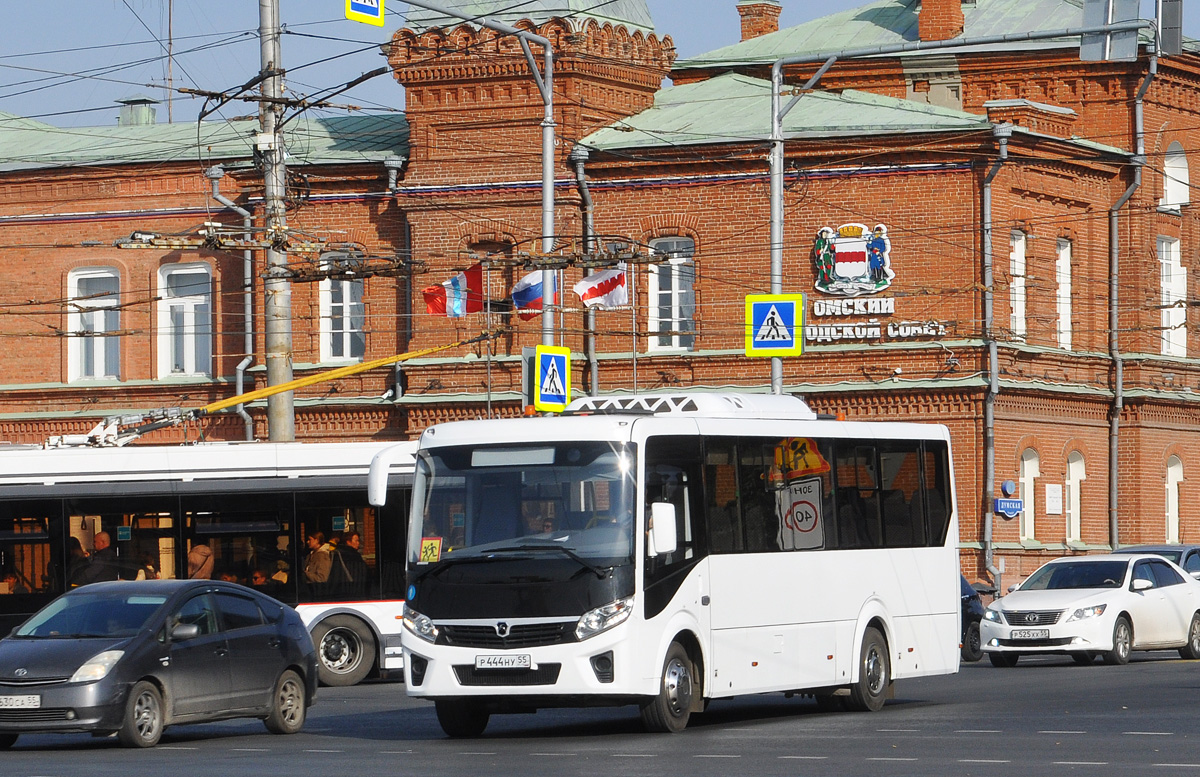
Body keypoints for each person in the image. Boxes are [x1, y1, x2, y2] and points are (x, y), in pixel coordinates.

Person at [331, 531, 369, 597]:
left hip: (340, 590)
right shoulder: (354, 556)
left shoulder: (337, 553)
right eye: (356, 541)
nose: (358, 543)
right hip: (354, 590)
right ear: (348, 542)